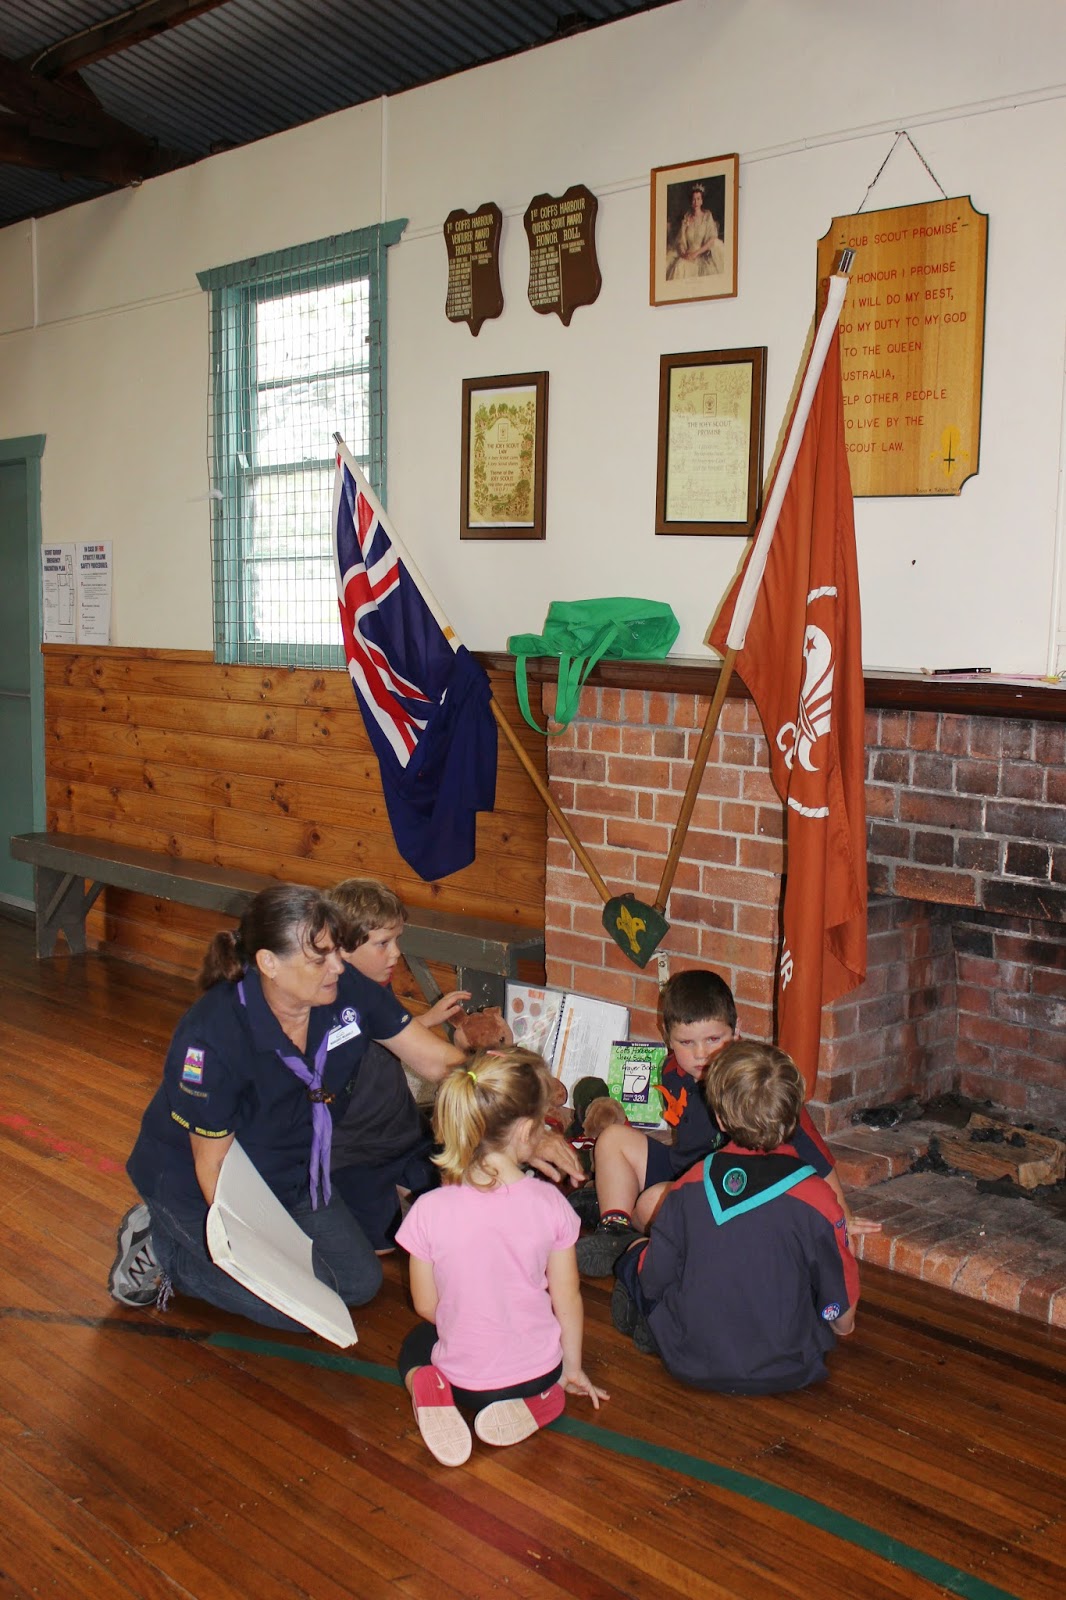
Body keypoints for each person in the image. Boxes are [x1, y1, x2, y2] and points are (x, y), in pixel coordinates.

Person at [108, 883, 469, 1328]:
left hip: (293, 1173)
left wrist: (515, 1101)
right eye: (320, 958)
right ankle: (164, 1246)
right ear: (268, 963)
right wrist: (256, 1244)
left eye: (337, 951)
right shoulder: (212, 1037)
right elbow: (213, 1169)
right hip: (196, 1181)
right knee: (303, 1313)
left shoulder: (346, 989)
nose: (339, 966)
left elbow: (438, 1062)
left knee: (357, 1286)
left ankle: (202, 1252)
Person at [395, 1047, 608, 1467]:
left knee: (416, 1346)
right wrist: (571, 1368)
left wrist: (473, 1320)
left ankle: (429, 1388)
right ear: (529, 1129)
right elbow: (567, 1299)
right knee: (543, 1352)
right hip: (540, 1372)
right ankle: (546, 1397)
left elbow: (425, 1305)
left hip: (464, 1382)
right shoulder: (550, 1203)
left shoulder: (427, 1210)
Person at [611, 1041, 859, 1394]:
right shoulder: (818, 1197)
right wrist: (844, 1328)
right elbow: (841, 1303)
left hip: (689, 1359)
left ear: (722, 1119)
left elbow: (654, 1278)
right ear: (795, 1117)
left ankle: (650, 1319)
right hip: (790, 1367)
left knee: (637, 1251)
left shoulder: (690, 1184)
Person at [575, 968, 853, 1276]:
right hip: (684, 1169)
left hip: (725, 1191)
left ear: (736, 1031)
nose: (701, 1053)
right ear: (667, 1037)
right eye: (686, 1042)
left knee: (653, 1202)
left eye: (713, 1039)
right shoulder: (672, 1072)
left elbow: (819, 1157)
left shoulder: (755, 1083)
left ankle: (625, 1220)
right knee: (612, 1138)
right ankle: (615, 1227)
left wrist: (842, 1217)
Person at [327, 877, 470, 1253]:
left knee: (455, 1203)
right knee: (386, 1246)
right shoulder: (325, 998)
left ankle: (401, 1185)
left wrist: (430, 1019)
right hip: (354, 1149)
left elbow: (390, 1036)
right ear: (342, 947)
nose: (395, 954)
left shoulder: (376, 979)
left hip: (403, 1131)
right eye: (383, 943)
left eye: (397, 940)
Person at [665, 182, 725, 280]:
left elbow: (712, 240)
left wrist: (696, 253)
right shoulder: (686, 218)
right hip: (688, 256)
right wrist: (684, 254)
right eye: (693, 199)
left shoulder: (707, 216)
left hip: (702, 255)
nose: (696, 202)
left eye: (698, 199)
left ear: (702, 201)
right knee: (679, 266)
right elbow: (681, 241)